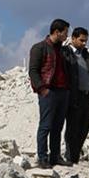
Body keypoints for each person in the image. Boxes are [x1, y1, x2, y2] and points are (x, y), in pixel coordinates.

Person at [29, 18, 71, 168]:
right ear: (57, 32)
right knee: (46, 126)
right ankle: (42, 158)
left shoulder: (63, 50)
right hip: (49, 92)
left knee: (57, 127)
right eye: (65, 32)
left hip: (63, 92)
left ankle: (55, 156)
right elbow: (33, 71)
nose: (67, 36)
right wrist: (42, 90)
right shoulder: (39, 48)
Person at [64, 27, 89, 164]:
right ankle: (71, 157)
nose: (84, 43)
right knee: (73, 128)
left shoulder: (85, 54)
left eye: (86, 41)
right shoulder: (66, 53)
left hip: (86, 96)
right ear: (73, 38)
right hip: (73, 96)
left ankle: (75, 156)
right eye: (81, 40)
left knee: (84, 127)